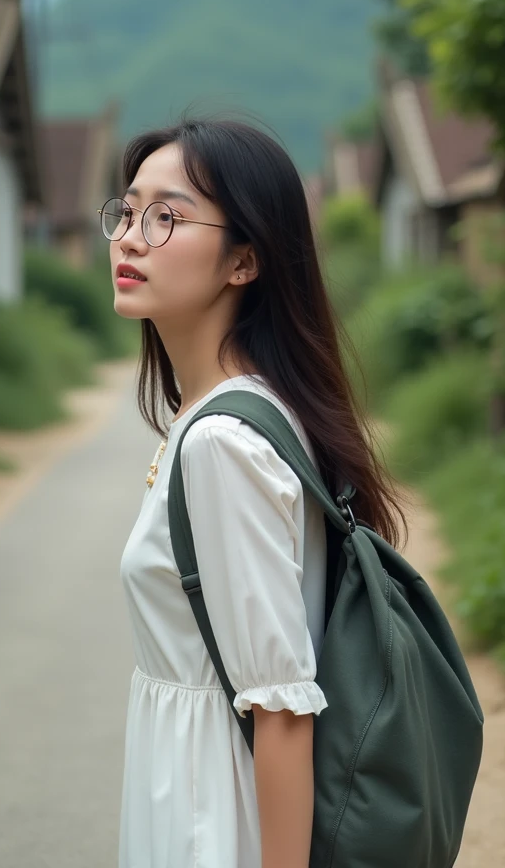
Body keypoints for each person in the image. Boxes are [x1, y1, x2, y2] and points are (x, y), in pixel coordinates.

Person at [102, 118, 407, 868]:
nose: (131, 237)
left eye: (166, 216)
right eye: (128, 210)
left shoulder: (221, 443)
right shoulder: (239, 410)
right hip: (196, 789)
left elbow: (280, 707)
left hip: (214, 813)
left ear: (245, 260)